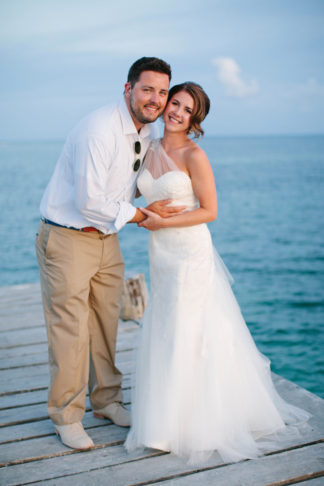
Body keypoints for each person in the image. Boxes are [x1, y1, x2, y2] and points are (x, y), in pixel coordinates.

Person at [125, 82, 310, 464]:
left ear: (195, 119)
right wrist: (145, 216)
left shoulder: (195, 154)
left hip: (189, 251)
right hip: (160, 254)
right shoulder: (148, 148)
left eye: (186, 109)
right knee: (164, 326)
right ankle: (162, 423)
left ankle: (197, 424)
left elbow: (210, 211)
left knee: (189, 329)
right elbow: (135, 198)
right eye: (173, 102)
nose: (176, 111)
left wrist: (160, 224)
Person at [36, 57, 184, 451]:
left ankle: (106, 402)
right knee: (71, 329)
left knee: (106, 324)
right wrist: (141, 215)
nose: (155, 99)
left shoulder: (147, 131)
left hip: (107, 238)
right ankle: (66, 416)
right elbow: (89, 201)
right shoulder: (98, 130)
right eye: (147, 89)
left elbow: (130, 183)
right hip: (68, 237)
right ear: (128, 89)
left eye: (162, 91)